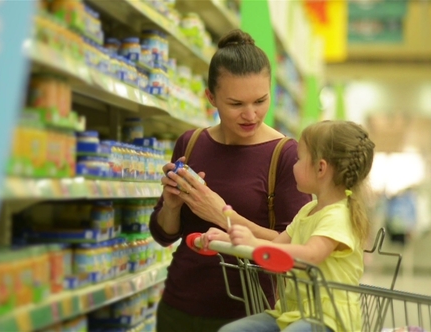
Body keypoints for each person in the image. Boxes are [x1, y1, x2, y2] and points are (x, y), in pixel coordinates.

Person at [149, 29, 312, 332]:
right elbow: (164, 235)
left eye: (261, 100)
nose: (251, 115)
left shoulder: (285, 155)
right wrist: (171, 206)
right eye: (236, 104)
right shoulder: (192, 142)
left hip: (249, 316)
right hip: (178, 306)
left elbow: (296, 248)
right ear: (210, 97)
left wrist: (221, 215)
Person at [206, 120, 376, 332]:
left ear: (321, 167)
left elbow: (310, 256)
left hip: (330, 319)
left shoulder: (339, 215)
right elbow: (274, 246)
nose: (293, 165)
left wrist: (254, 245)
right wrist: (231, 240)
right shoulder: (308, 210)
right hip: (291, 313)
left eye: (299, 158)